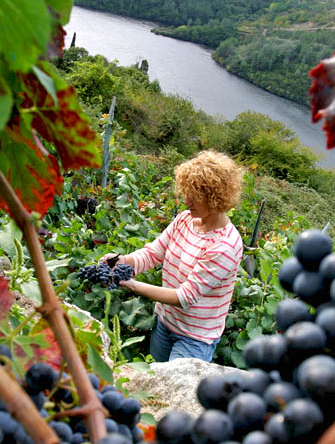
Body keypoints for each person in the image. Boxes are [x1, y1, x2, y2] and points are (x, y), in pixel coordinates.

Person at [101, 150, 244, 363]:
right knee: (153, 390)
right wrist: (122, 261)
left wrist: (131, 284)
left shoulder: (225, 246)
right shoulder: (185, 220)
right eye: (186, 193)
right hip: (166, 323)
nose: (187, 201)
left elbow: (184, 297)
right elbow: (152, 254)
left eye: (195, 197)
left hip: (194, 340)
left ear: (215, 198)